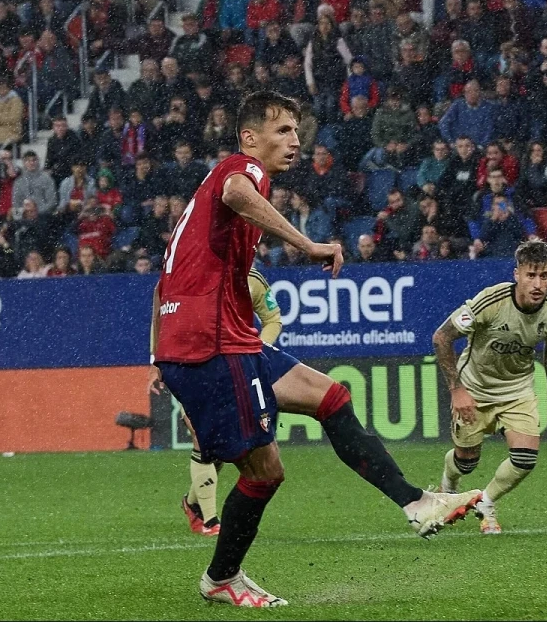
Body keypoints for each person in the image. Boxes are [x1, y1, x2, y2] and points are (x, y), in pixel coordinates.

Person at [149, 92, 480, 608]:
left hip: (220, 338)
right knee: (265, 472)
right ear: (249, 137)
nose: (295, 140)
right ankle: (222, 578)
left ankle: (417, 503)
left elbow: (161, 286)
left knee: (331, 397)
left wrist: (157, 355)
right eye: (282, 130)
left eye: (296, 131)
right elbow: (238, 192)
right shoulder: (241, 171)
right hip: (212, 345)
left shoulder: (205, 199)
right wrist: (308, 244)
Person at [431, 239, 547, 535]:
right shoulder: (491, 301)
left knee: (525, 458)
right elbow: (442, 337)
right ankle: (448, 485)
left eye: (544, 276)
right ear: (516, 274)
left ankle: (486, 501)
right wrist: (457, 390)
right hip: (475, 389)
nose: (537, 284)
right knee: (466, 462)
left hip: (518, 391)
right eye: (530, 275)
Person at [176, 265, 283, 538]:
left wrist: (256, 350)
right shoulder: (196, 272)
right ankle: (209, 519)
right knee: (203, 436)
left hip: (238, 371)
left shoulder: (252, 278)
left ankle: (192, 503)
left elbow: (273, 319)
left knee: (223, 443)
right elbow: (168, 316)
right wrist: (159, 362)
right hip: (198, 365)